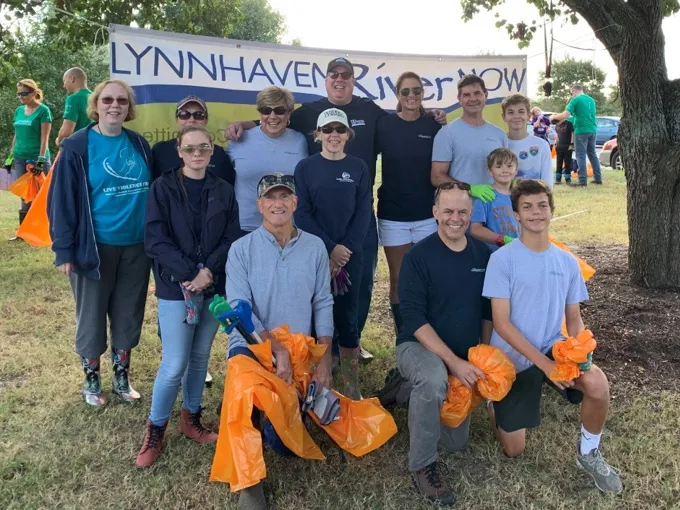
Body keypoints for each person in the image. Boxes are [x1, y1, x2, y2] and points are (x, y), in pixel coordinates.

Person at [227, 58, 447, 363]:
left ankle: (351, 339)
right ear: (326, 79)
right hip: (317, 217)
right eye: (334, 75)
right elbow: (276, 118)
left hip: (359, 212)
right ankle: (323, 343)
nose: (340, 79)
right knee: (318, 283)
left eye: (346, 75)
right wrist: (247, 124)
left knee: (362, 283)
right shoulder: (308, 114)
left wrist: (430, 115)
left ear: (354, 80)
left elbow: (401, 121)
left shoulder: (369, 110)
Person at [483, 179, 623, 495]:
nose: (536, 213)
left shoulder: (566, 261)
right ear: (516, 214)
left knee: (598, 384)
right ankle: (494, 403)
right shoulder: (502, 259)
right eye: (527, 207)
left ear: (551, 210)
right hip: (511, 357)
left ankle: (589, 453)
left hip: (551, 345)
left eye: (542, 205)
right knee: (514, 449)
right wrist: (546, 368)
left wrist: (581, 349)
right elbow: (502, 325)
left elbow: (573, 319)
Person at [225, 172, 334, 509]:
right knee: (241, 390)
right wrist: (274, 347)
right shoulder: (241, 250)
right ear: (259, 205)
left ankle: (278, 414)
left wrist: (325, 361)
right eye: (270, 198)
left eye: (284, 197)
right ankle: (249, 482)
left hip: (300, 350)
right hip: (252, 342)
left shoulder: (315, 246)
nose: (278, 203)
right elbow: (238, 308)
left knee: (284, 445)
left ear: (295, 203)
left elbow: (323, 302)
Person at [136, 125, 241, 468]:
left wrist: (207, 272)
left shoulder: (224, 189)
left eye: (204, 149)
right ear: (179, 151)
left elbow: (231, 236)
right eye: (190, 149)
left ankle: (191, 418)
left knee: (199, 357)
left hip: (212, 285)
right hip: (174, 286)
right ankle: (155, 429)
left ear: (212, 152)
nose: (197, 154)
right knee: (175, 362)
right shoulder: (162, 188)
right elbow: (155, 240)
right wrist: (189, 272)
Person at [48, 79, 153, 407]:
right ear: (96, 105)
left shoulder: (138, 143)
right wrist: (64, 249)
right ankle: (92, 379)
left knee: (129, 313)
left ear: (129, 107)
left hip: (137, 247)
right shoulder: (77, 146)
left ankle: (122, 376)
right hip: (93, 248)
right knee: (91, 317)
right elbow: (61, 201)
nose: (115, 105)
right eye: (107, 99)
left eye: (122, 100)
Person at [394, 181, 492, 505]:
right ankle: (423, 466)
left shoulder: (482, 253)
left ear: (471, 212)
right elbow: (414, 320)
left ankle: (405, 392)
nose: (455, 218)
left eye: (462, 211)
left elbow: (487, 311)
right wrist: (454, 362)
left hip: (462, 355)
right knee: (434, 378)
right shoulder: (418, 257)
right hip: (417, 347)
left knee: (455, 441)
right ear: (435, 213)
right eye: (448, 211)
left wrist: (483, 355)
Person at [294, 108, 371, 399]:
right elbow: (301, 213)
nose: (334, 135)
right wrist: (328, 249)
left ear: (348, 134)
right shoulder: (305, 168)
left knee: (348, 320)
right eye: (328, 130)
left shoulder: (359, 167)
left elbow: (364, 211)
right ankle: (314, 384)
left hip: (350, 256)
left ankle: (351, 388)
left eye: (340, 129)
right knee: (313, 318)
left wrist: (344, 251)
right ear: (318, 135)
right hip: (314, 256)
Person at [375, 71, 441, 335]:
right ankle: (404, 341)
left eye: (416, 91)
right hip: (393, 216)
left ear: (422, 94)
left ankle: (428, 338)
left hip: (427, 215)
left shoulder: (433, 126)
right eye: (405, 91)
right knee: (399, 281)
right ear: (397, 95)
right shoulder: (384, 125)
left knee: (428, 280)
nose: (411, 96)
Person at [227, 86, 307, 236]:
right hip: (245, 227)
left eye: (280, 110)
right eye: (266, 110)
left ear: (289, 113)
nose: (272, 116)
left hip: (287, 228)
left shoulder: (300, 141)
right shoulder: (239, 139)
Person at [431, 74, 507, 205]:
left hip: (493, 208)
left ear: (486, 95)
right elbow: (437, 176)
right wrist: (468, 189)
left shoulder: (499, 134)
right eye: (466, 95)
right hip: (460, 209)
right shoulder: (447, 133)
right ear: (459, 99)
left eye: (477, 93)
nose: (473, 99)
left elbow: (506, 172)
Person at [151, 95, 235, 185]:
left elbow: (227, 191)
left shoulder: (219, 154)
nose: (191, 120)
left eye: (198, 115)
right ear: (176, 119)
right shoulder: (160, 150)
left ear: (206, 120)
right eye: (184, 114)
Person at [8, 78, 53, 240]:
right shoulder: (19, 110)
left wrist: (40, 160)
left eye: (24, 93)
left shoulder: (43, 111)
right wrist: (10, 157)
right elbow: (17, 134)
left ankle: (49, 230)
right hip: (20, 157)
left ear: (34, 92)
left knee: (43, 194)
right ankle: (24, 233)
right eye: (19, 94)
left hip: (37, 158)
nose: (21, 97)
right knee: (25, 194)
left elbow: (44, 138)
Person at [550, 84, 603, 186]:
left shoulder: (575, 99)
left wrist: (554, 117)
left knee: (580, 155)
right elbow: (576, 117)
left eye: (571, 92)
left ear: (574, 90)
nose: (572, 95)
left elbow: (565, 114)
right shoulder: (591, 100)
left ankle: (582, 180)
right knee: (592, 154)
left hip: (581, 131)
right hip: (593, 130)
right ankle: (598, 178)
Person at [470, 148, 521, 251]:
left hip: (521, 251)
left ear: (516, 170)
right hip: (495, 254)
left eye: (509, 166)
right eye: (498, 166)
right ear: (490, 171)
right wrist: (502, 240)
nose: (504, 170)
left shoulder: (521, 195)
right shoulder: (485, 197)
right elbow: (475, 229)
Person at [502, 94, 553, 188]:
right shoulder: (499, 144)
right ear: (504, 117)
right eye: (510, 112)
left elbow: (547, 182)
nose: (516, 116)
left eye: (521, 112)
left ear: (529, 115)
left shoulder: (542, 145)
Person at [56, 67, 92, 146]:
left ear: (71, 78)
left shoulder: (73, 98)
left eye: (64, 81)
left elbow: (66, 131)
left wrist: (59, 140)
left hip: (79, 147)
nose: (64, 85)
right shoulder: (96, 97)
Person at [554, 118, 575, 185]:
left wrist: (571, 144)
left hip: (567, 146)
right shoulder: (557, 124)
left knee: (567, 163)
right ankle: (558, 178)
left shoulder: (569, 123)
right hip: (559, 146)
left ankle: (568, 178)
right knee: (559, 162)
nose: (557, 124)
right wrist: (556, 143)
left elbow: (572, 133)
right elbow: (557, 134)